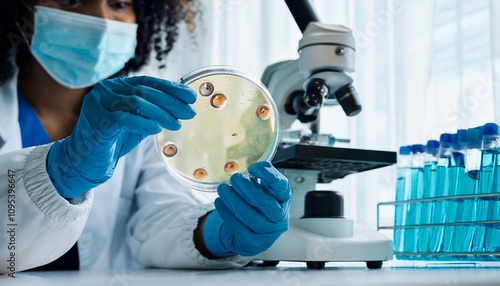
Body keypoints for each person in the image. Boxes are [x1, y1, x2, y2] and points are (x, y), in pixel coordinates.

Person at [0, 0, 291, 274]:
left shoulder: (142, 115)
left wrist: (214, 234)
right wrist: (61, 174)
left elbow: (157, 222)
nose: (100, 20)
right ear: (21, 11)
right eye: (71, 1)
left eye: (118, 4)